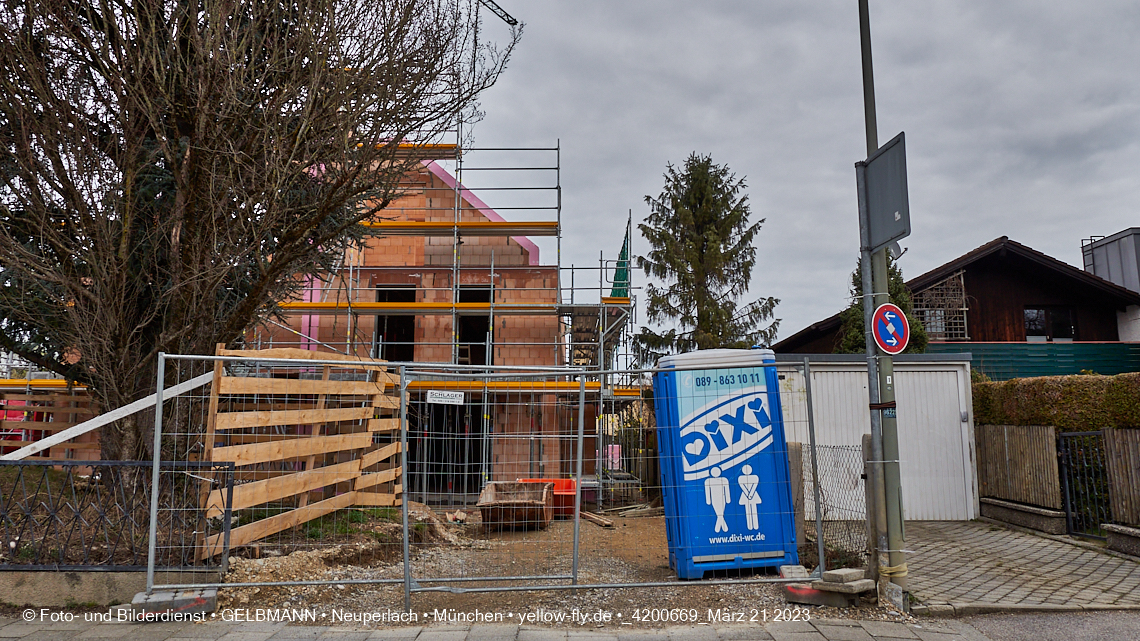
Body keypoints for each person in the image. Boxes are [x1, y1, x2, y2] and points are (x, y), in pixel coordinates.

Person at [704, 466, 731, 533]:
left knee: (720, 513)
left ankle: (719, 528)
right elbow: (707, 491)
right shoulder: (708, 481)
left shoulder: (724, 480)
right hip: (714, 498)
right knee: (719, 512)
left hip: (722, 497)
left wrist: (728, 499)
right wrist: (708, 500)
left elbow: (726, 490)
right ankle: (724, 528)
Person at [738, 464, 762, 530]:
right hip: (751, 495)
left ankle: (754, 526)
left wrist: (749, 495)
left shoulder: (754, 477)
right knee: (749, 509)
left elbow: (754, 486)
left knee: (752, 509)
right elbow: (742, 486)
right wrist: (750, 495)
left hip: (749, 495)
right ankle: (751, 527)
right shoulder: (741, 478)